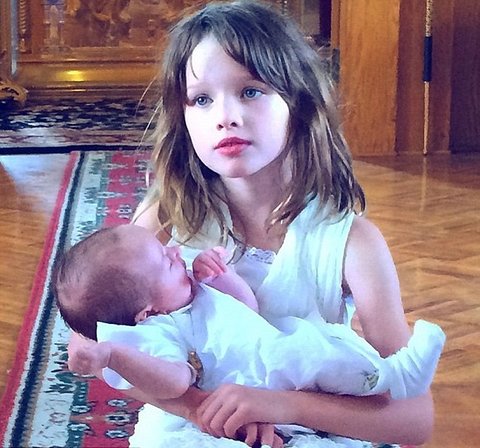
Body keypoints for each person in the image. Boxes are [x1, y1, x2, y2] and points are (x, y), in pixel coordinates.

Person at [66, 1, 442, 447]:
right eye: (201, 99)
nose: (225, 116)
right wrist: (205, 410)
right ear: (182, 118)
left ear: (299, 103)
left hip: (311, 431)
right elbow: (100, 346)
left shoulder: (351, 243)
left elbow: (413, 420)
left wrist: (279, 406)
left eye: (250, 91)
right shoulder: (164, 223)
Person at [54, 223, 444, 405]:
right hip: (254, 374)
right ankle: (395, 378)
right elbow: (174, 383)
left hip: (270, 344)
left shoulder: (187, 291)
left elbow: (248, 310)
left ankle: (386, 373)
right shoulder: (156, 332)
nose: (176, 252)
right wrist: (115, 355)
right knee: (312, 357)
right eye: (166, 262)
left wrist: (222, 278)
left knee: (324, 343)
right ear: (147, 311)